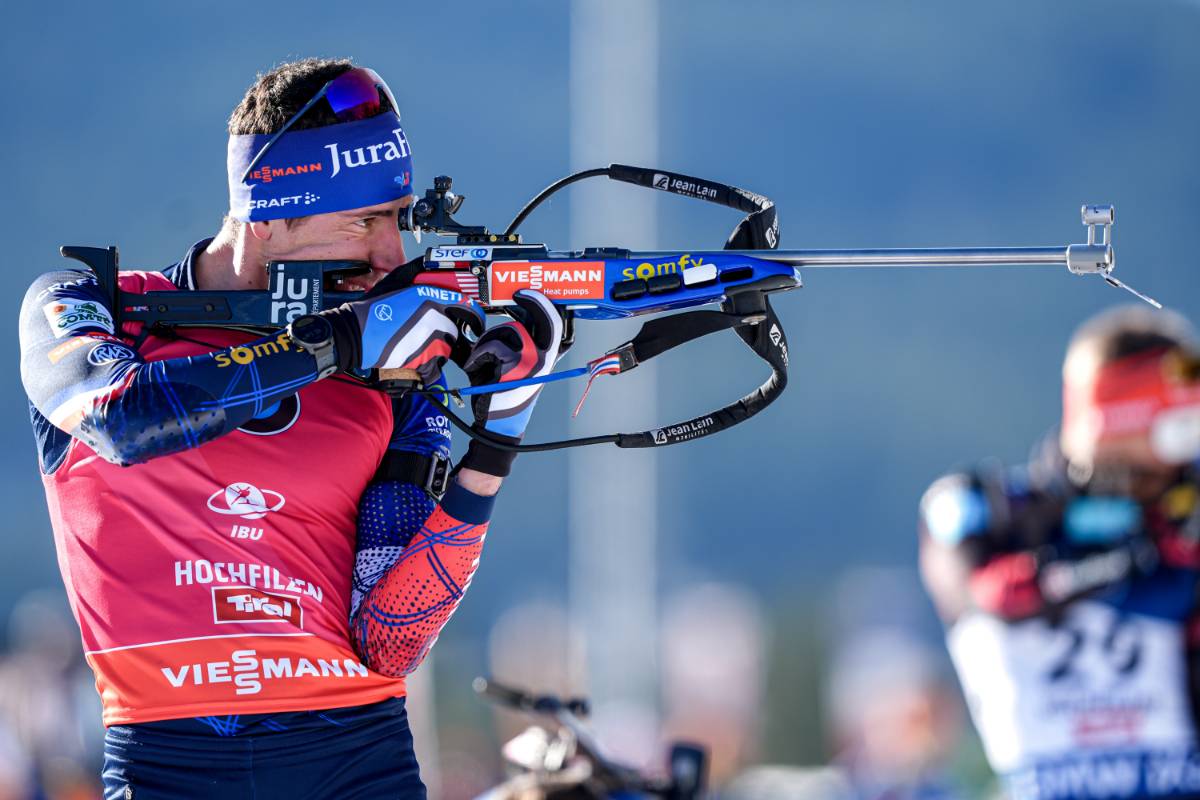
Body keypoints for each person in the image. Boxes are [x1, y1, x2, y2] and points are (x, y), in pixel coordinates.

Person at [17, 58, 563, 799]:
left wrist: (497, 439)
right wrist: (337, 341)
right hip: (166, 765)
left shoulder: (391, 366)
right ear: (270, 219)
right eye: (365, 221)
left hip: (359, 762)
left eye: (399, 219)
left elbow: (392, 639)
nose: (392, 257)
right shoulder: (96, 306)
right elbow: (121, 421)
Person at [918, 305, 1200, 800]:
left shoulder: (1183, 529)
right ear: (1117, 425)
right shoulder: (991, 513)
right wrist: (1117, 562)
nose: (1185, 457)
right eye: (1179, 429)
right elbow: (984, 592)